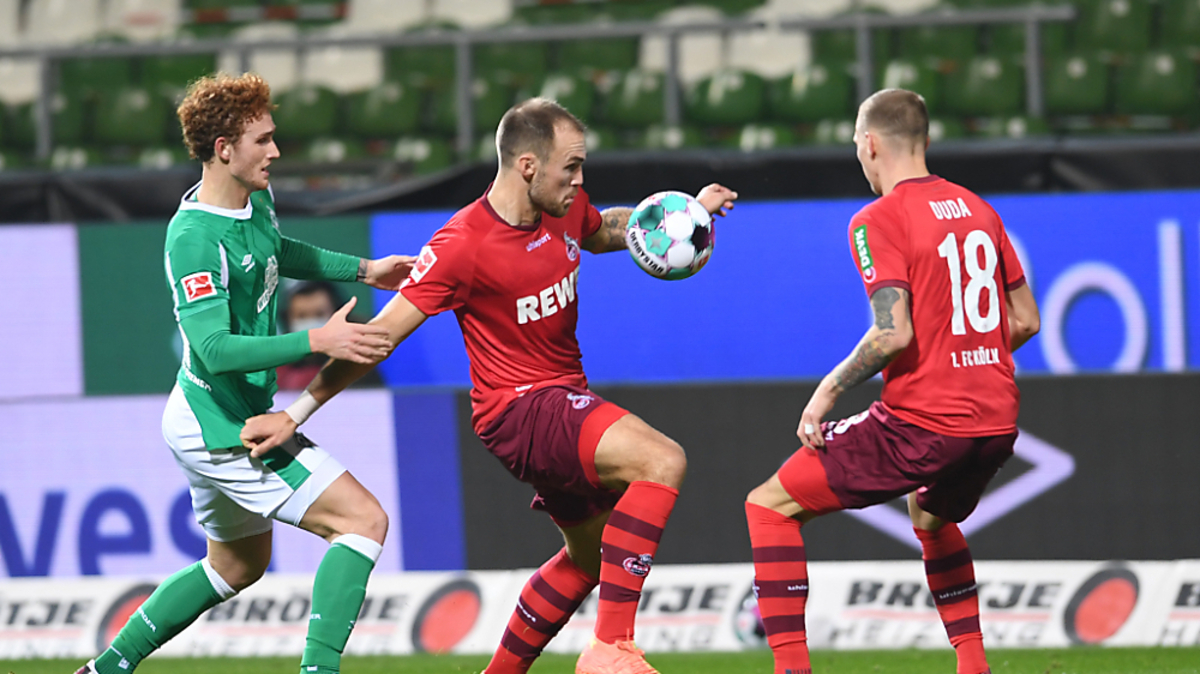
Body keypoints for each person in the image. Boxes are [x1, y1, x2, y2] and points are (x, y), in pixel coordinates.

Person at [240, 97, 738, 674]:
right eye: (571, 167)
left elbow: (606, 230)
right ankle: (611, 648)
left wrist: (685, 214)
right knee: (662, 460)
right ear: (528, 165)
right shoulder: (461, 245)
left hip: (562, 395)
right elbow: (379, 338)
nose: (580, 180)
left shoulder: (563, 208)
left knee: (588, 559)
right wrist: (295, 414)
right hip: (519, 410)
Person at [75, 72, 414, 674]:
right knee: (363, 521)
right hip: (221, 423)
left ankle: (103, 669)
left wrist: (364, 270)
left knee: (235, 566)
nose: (275, 151)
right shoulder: (193, 239)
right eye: (263, 140)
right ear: (224, 149)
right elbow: (211, 349)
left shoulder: (255, 197)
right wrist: (317, 339)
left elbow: (276, 250)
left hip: (215, 412)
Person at [743, 88, 1040, 674]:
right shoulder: (979, 210)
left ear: (870, 145)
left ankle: (790, 670)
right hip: (996, 423)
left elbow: (891, 332)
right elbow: (1026, 319)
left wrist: (826, 392)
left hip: (923, 423)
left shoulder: (877, 218)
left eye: (858, 145)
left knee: (769, 507)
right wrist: (964, 355)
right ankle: (974, 665)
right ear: (924, 140)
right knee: (930, 516)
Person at [278, 281, 384, 390]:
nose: (310, 323)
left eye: (319, 314)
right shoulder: (276, 370)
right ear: (287, 320)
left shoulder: (357, 365)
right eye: (302, 316)